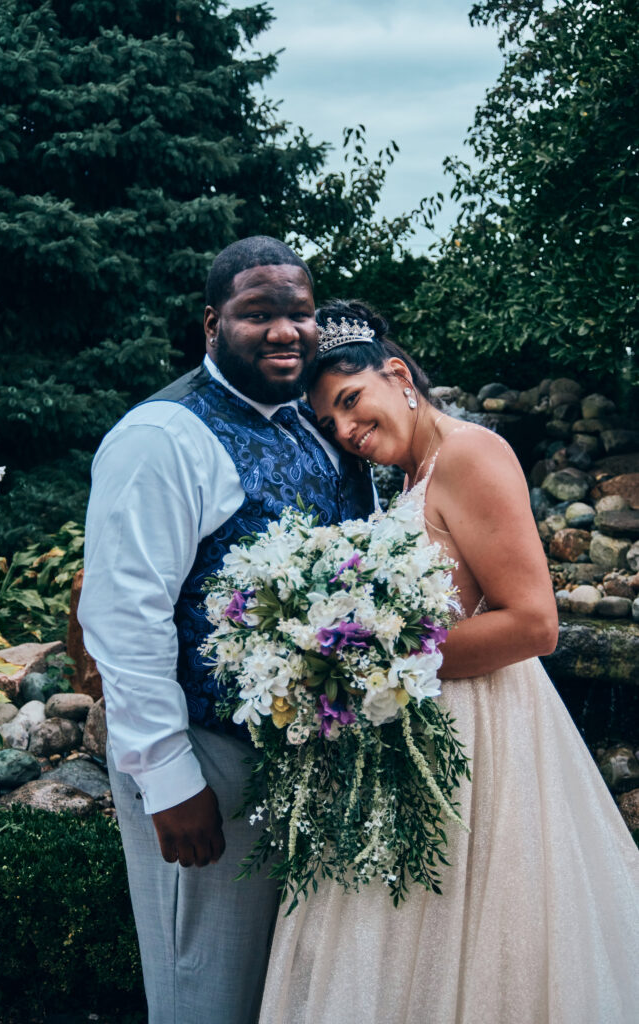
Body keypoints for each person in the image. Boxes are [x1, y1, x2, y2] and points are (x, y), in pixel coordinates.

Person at [259, 300, 639, 1024]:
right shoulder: (407, 480)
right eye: (329, 424)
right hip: (415, 741)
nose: (345, 431)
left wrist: (371, 654)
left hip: (482, 740)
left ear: (396, 374)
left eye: (349, 401)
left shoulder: (471, 453)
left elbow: (534, 623)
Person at [77, 247, 375, 1024]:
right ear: (213, 325)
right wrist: (168, 779)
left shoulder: (316, 424)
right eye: (258, 314)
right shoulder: (161, 436)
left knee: (289, 992)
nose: (286, 332)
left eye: (299, 313)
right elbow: (122, 614)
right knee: (204, 992)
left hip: (306, 760)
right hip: (206, 758)